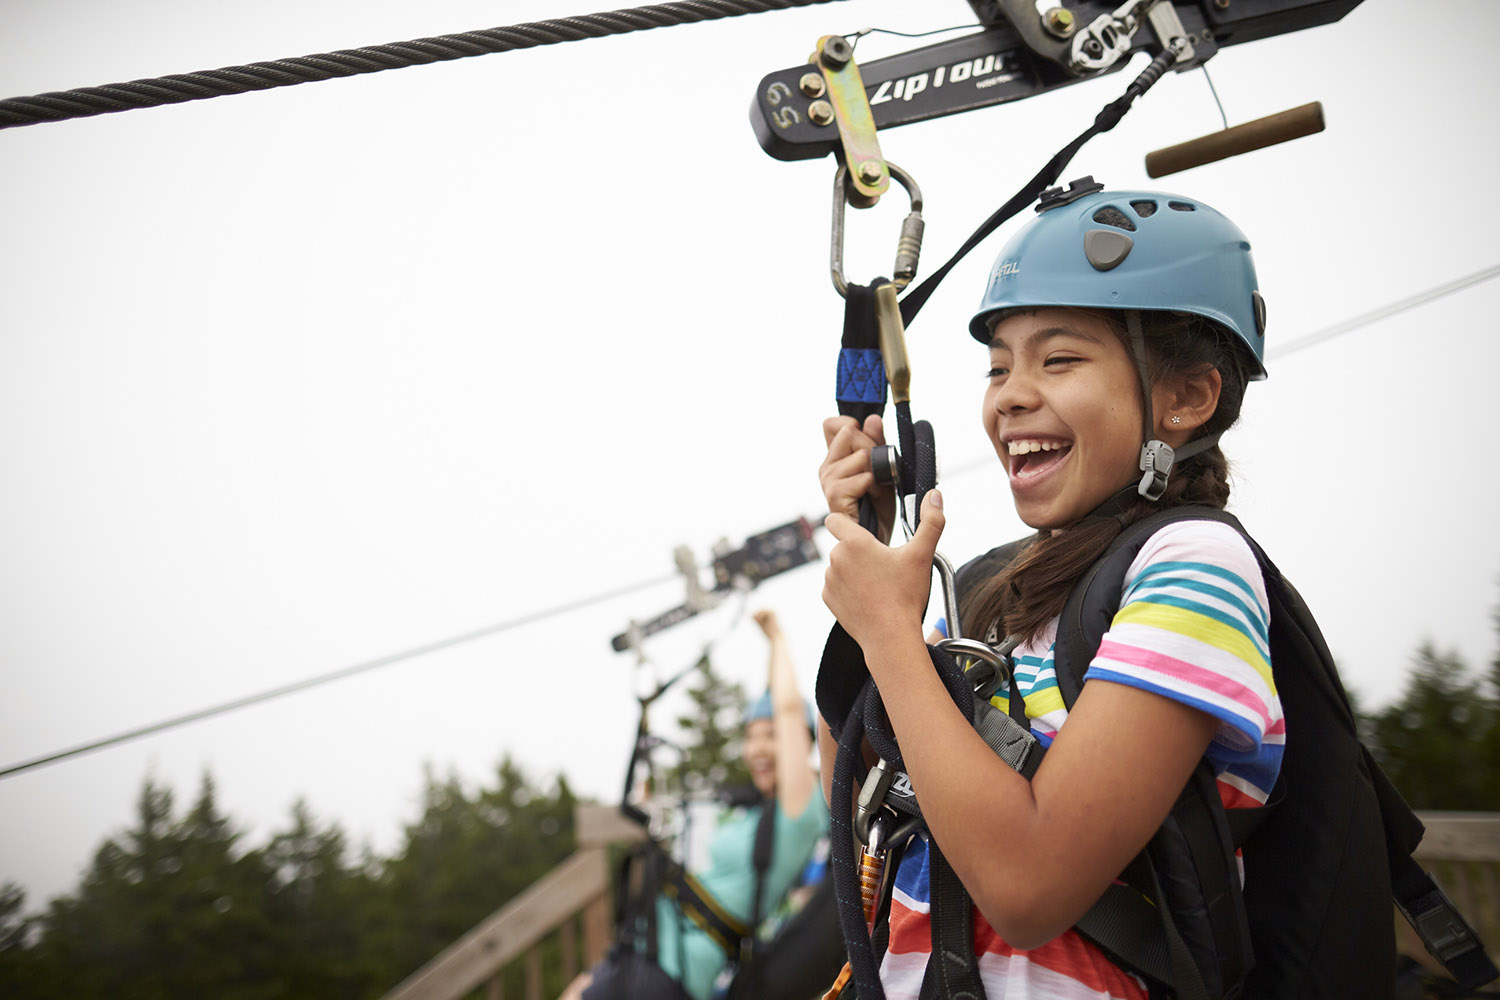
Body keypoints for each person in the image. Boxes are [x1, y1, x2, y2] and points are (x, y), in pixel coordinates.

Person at [817, 185, 1282, 998]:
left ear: (1188, 397)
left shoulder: (1195, 563)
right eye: (999, 366)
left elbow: (1029, 889)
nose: (1010, 396)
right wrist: (874, 562)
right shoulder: (996, 591)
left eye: (1058, 359)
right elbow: (856, 794)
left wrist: (892, 635)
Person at [568, 608, 829, 1000]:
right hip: (636, 951)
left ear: (801, 744)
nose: (757, 748)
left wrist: (776, 639)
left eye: (771, 736)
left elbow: (789, 711)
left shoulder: (801, 812)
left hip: (670, 974)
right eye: (750, 736)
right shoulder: (749, 813)